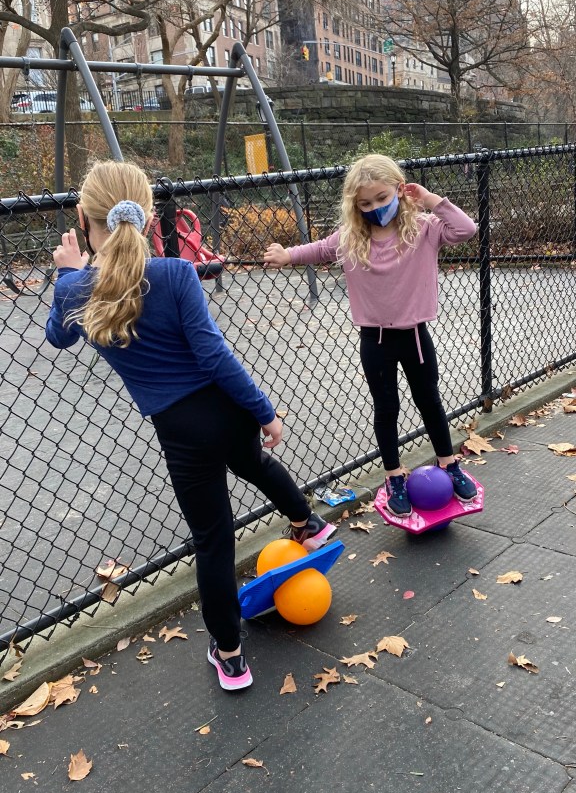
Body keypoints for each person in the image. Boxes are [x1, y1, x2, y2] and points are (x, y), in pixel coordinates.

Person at [45, 161, 335, 692]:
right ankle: (308, 522)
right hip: (227, 410)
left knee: (213, 540)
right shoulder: (177, 273)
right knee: (255, 461)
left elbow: (57, 337)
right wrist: (264, 411)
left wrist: (67, 273)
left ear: (83, 219)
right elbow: (215, 356)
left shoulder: (76, 290)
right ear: (148, 215)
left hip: (180, 431)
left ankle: (231, 657)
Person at [264, 153, 478, 518]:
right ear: (355, 206)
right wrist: (288, 255)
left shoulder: (423, 229)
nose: (375, 208)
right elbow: (319, 249)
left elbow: (465, 229)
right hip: (375, 341)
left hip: (415, 337)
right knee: (387, 408)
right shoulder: (351, 238)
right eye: (365, 203)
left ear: (399, 190)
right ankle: (394, 476)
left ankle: (449, 463)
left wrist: (429, 199)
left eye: (382, 198)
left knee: (429, 401)